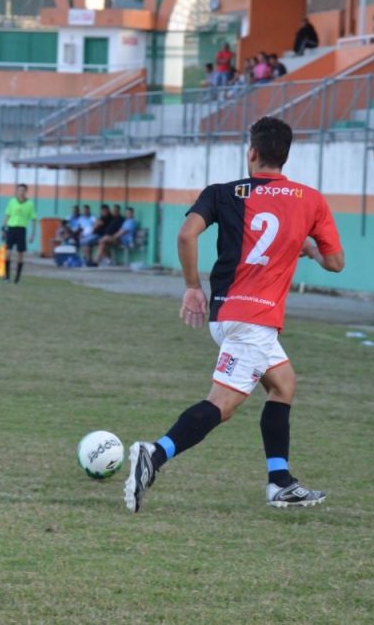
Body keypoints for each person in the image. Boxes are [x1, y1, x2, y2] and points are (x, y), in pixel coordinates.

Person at [123, 116, 345, 513]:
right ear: (286, 156)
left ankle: (280, 482)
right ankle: (153, 455)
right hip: (255, 321)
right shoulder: (311, 200)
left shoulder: (222, 192)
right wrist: (307, 247)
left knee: (284, 385)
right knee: (222, 405)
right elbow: (335, 263)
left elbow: (186, 234)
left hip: (226, 313)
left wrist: (193, 286)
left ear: (253, 152)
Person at [1, 183, 37, 284]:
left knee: (20, 254)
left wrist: (33, 234)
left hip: (21, 230)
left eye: (23, 190)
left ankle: (17, 278)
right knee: (8, 252)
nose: (21, 192)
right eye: (19, 190)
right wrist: (3, 228)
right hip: (11, 228)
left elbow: (34, 219)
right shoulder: (12, 201)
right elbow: (7, 215)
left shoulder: (30, 204)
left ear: (26, 191)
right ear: (17, 191)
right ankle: (7, 276)